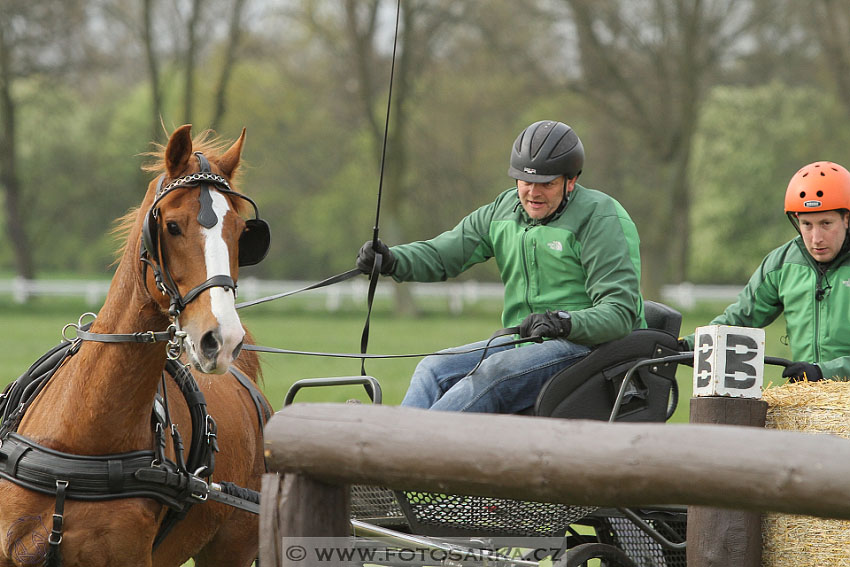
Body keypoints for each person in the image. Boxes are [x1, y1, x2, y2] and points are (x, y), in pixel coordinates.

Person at [355, 120, 645, 412]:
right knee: (432, 369)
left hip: (585, 349)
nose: (533, 193)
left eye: (547, 183)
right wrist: (393, 260)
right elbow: (446, 253)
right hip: (526, 342)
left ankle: (411, 449)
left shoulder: (600, 219)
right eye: (525, 181)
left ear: (571, 181)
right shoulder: (504, 211)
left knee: (490, 378)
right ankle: (392, 441)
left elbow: (619, 314)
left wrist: (563, 321)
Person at [680, 161, 850, 382]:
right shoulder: (781, 264)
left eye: (826, 223)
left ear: (847, 218)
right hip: (808, 396)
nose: (816, 238)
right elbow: (740, 318)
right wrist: (690, 344)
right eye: (807, 224)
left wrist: (823, 371)